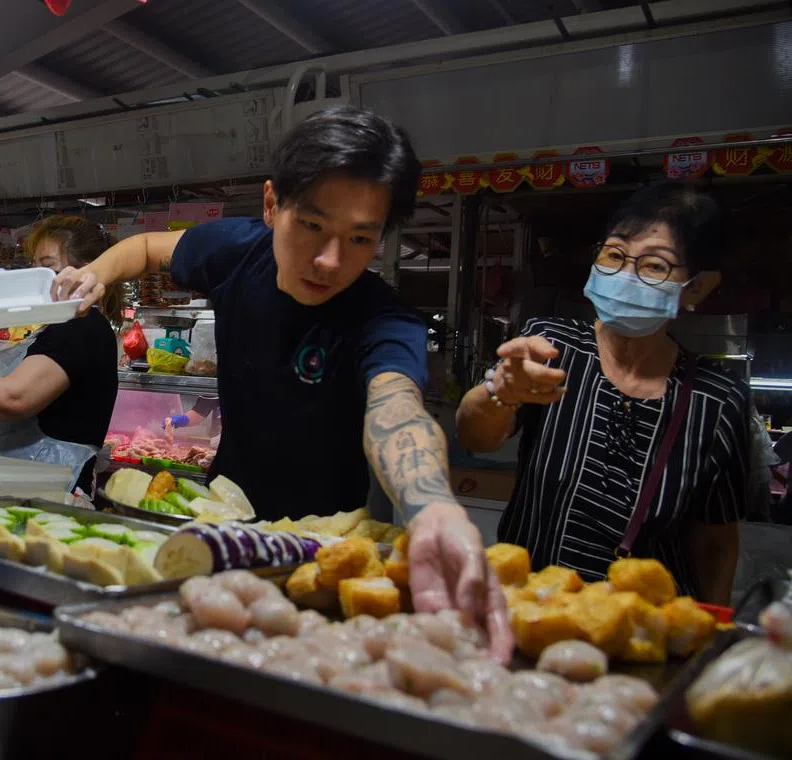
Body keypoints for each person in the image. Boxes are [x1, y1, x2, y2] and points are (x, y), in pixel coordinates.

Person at [54, 105, 511, 660]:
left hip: (320, 549)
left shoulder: (383, 320)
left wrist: (434, 508)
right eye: (312, 226)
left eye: (360, 239)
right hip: (218, 519)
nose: (328, 259)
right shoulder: (236, 251)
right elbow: (150, 247)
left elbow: (398, 410)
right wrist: (97, 271)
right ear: (272, 205)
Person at [455, 182, 748, 605]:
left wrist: (712, 635)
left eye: (653, 266)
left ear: (697, 288)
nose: (625, 277)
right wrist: (498, 393)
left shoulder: (717, 400)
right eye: (614, 255)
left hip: (644, 629)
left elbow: (715, 542)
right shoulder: (551, 346)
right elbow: (475, 437)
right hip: (533, 611)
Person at [0, 216, 122, 497]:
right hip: (23, 488)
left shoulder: (82, 327)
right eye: (34, 266)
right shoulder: (59, 326)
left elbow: (15, 397)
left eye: (48, 266)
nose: (36, 276)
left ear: (86, 271)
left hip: (50, 494)